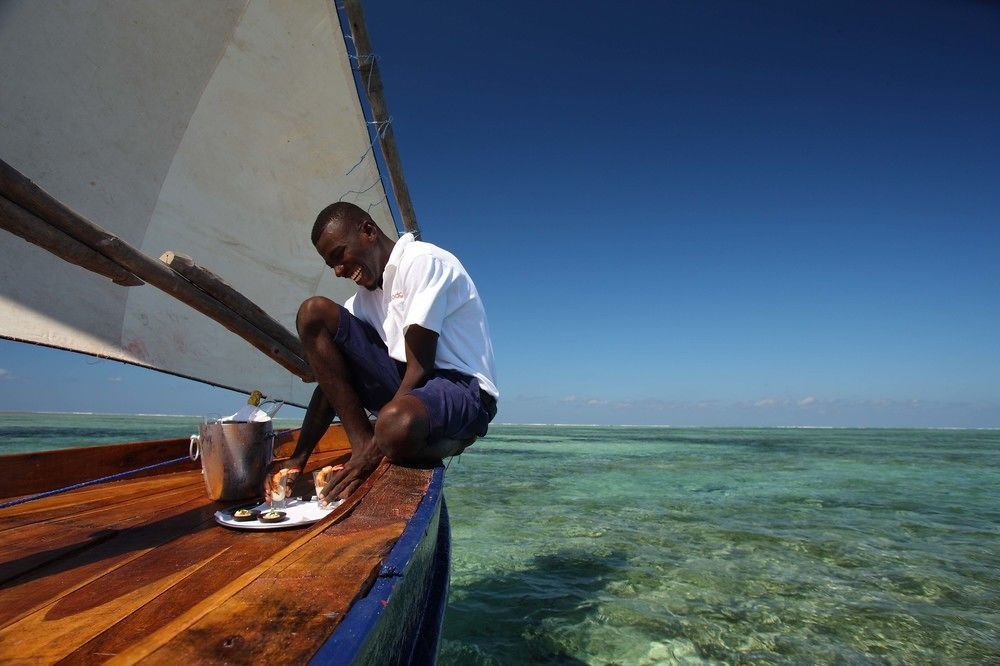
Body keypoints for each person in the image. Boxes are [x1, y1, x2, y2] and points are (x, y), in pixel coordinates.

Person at [266, 202, 498, 502]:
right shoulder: (363, 301)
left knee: (392, 426)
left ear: (368, 231)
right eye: (331, 264)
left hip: (464, 388)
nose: (338, 271)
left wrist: (373, 453)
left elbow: (420, 366)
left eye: (339, 255)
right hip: (416, 387)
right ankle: (364, 442)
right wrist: (299, 458)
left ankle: (453, 441)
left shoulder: (421, 261)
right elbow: (332, 382)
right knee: (314, 313)